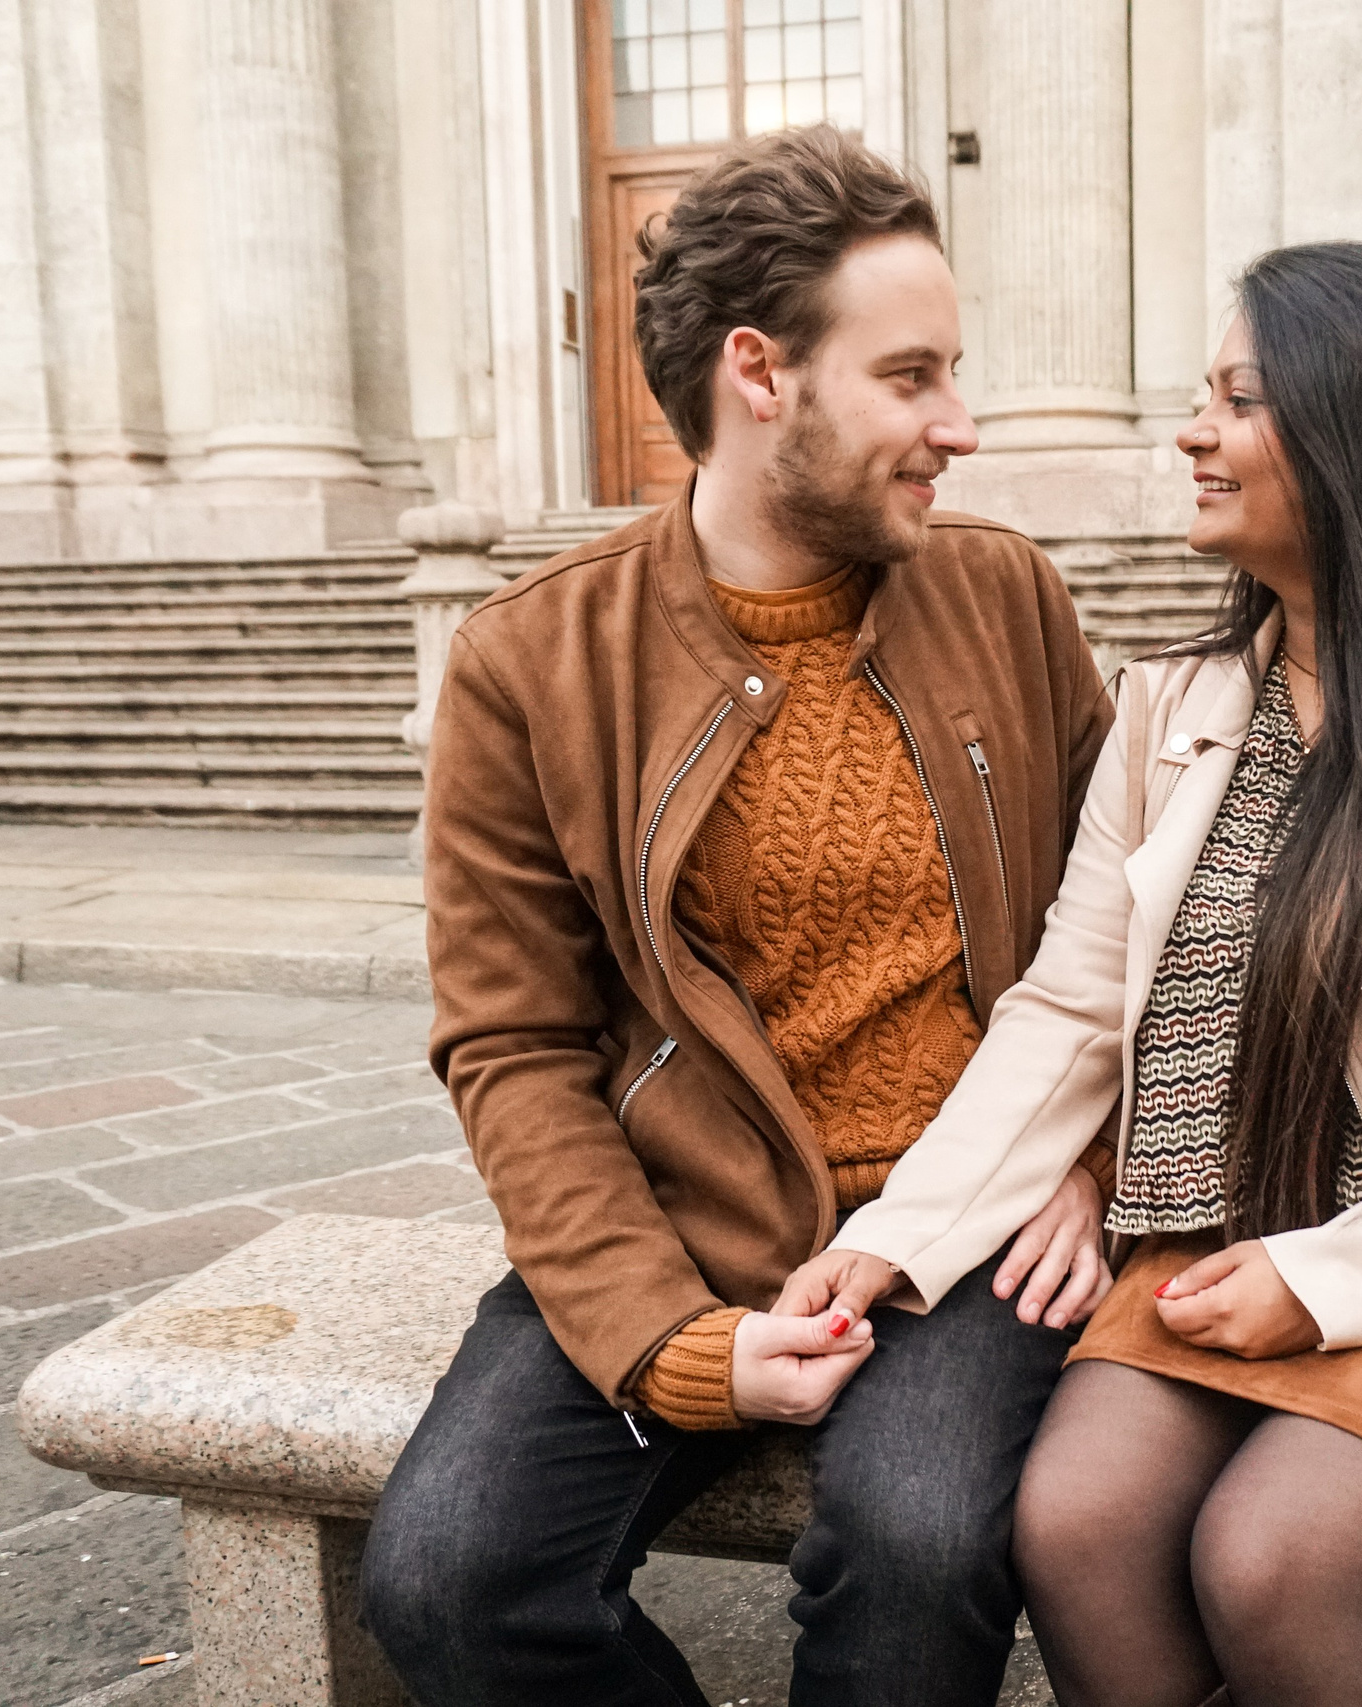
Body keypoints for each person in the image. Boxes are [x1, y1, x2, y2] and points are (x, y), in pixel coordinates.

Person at [780, 242, 1362, 1707]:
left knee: (1277, 1562)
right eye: (1203, 397)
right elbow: (1067, 1008)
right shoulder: (1173, 702)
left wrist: (1321, 1280)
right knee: (1079, 1526)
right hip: (1225, 1232)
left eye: (1239, 401)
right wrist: (902, 1235)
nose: (1192, 433)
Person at [358, 126, 1117, 1707]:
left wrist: (1091, 1157)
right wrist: (676, 1347)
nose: (959, 425)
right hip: (681, 1221)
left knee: (916, 1541)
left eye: (953, 374)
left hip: (972, 1214)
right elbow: (511, 1045)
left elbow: (1139, 931)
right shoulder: (533, 662)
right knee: (447, 1578)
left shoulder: (1007, 598)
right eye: (910, 377)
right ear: (759, 372)